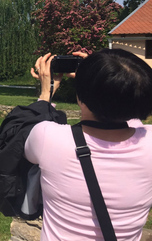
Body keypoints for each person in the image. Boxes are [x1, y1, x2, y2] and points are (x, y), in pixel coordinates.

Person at [25, 49, 152, 240]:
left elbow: (26, 149)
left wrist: (46, 92)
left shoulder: (48, 138)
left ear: (80, 96)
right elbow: (131, 117)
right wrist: (110, 81)